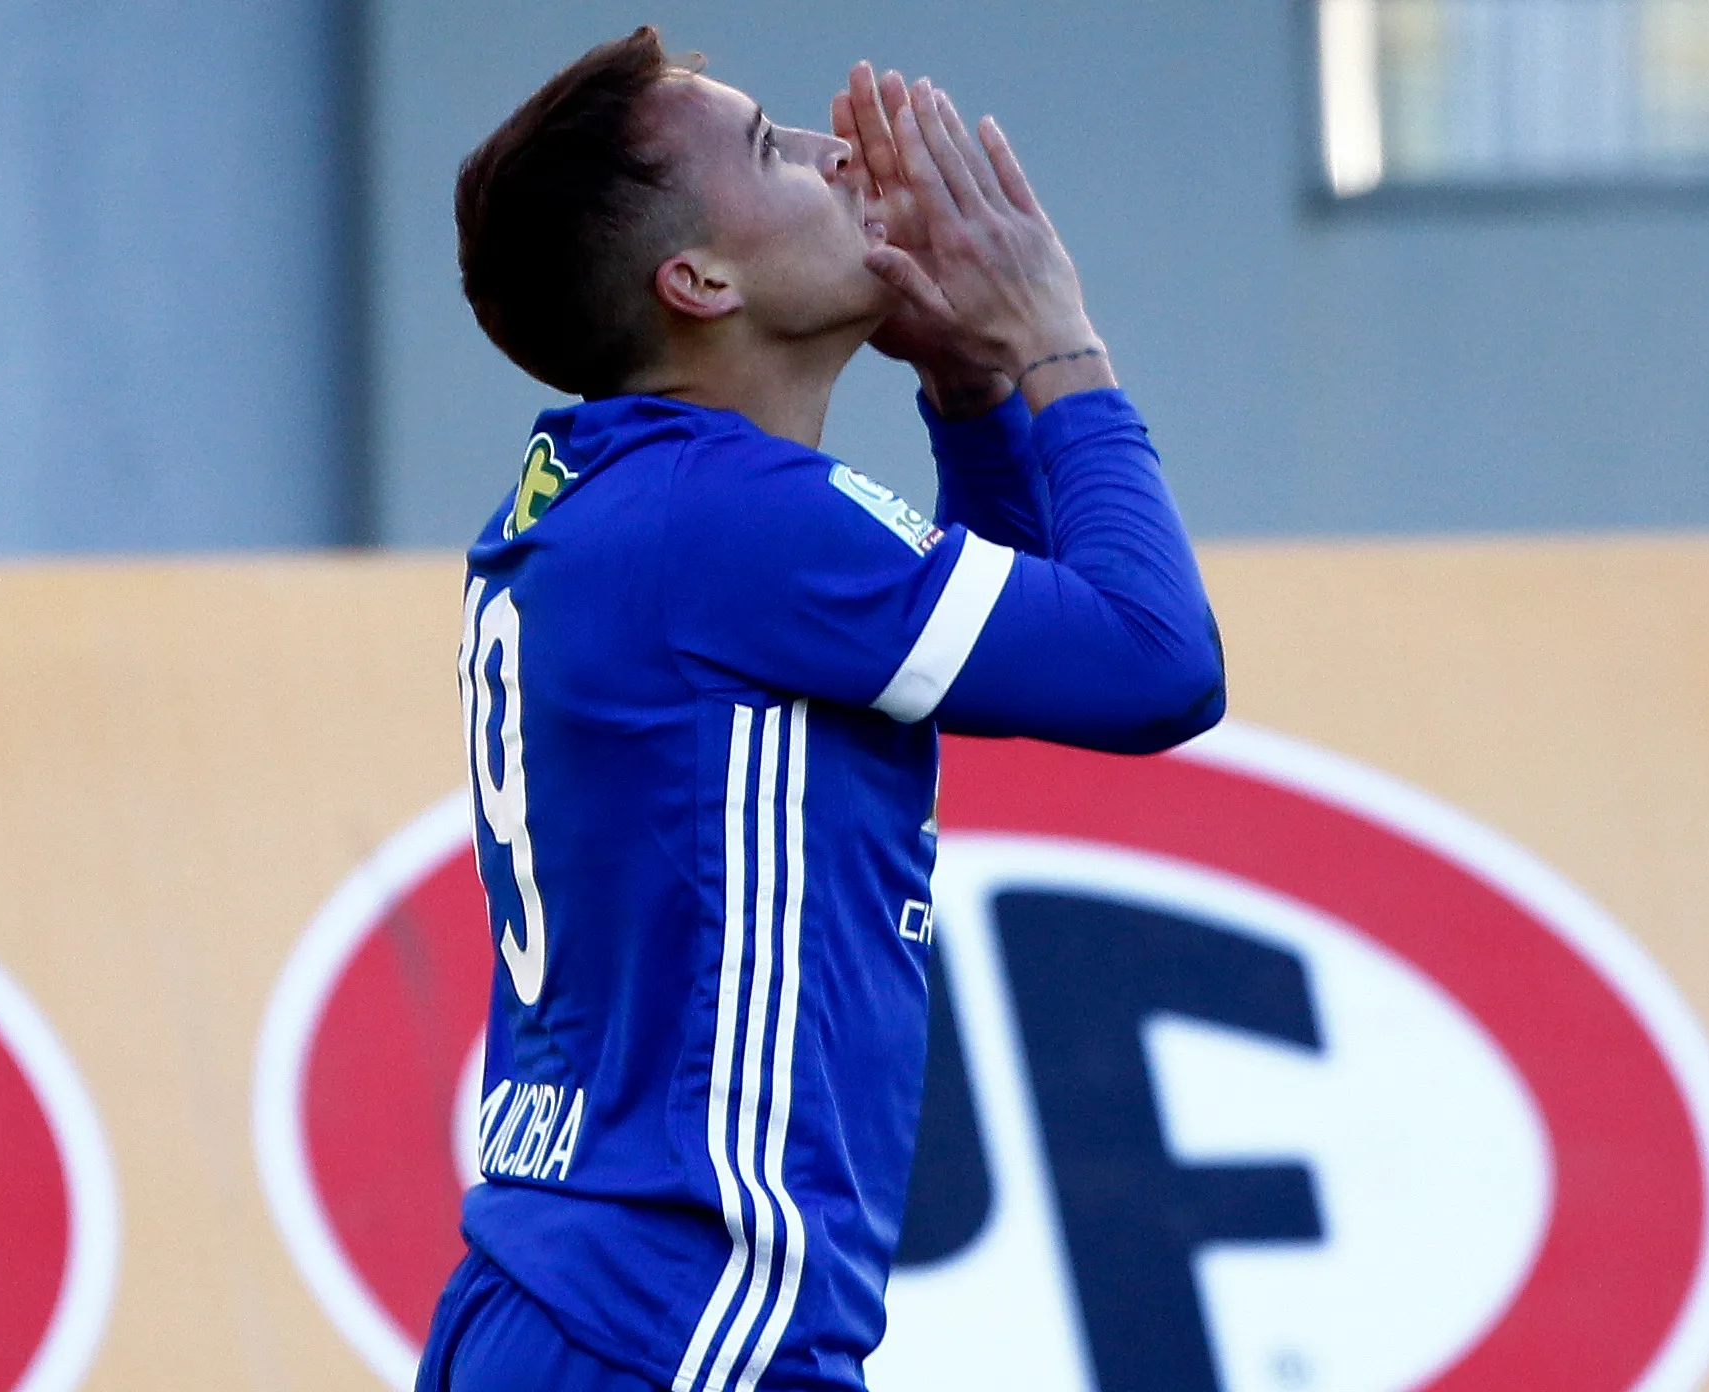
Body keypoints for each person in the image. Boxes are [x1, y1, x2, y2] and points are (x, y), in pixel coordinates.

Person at [418, 26, 1224, 1392]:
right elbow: (1157, 663)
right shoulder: (735, 521)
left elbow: (1018, 660)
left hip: (564, 1304)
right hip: (679, 1325)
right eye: (769, 146)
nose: (833, 151)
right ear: (699, 279)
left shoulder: (619, 497)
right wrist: (1054, 339)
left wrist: (967, 391)